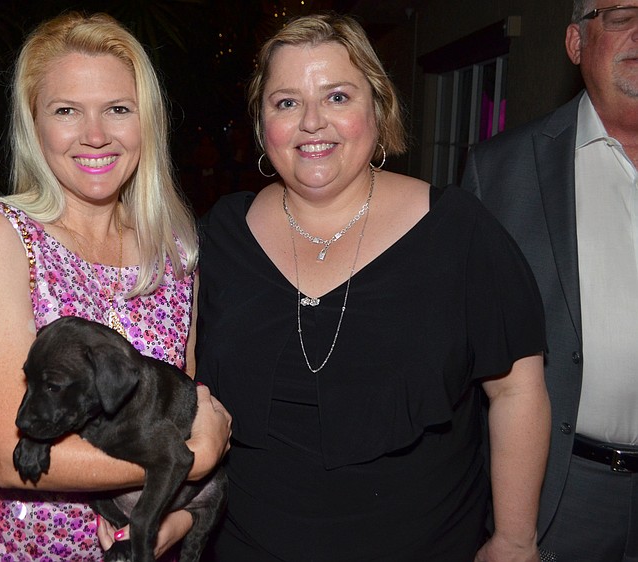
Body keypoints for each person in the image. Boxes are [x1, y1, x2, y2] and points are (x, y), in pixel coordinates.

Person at [195, 13, 551, 561]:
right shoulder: (222, 234)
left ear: (378, 109)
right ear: (262, 125)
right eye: (286, 102)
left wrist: (514, 538)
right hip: (244, 545)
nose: (312, 122)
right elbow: (186, 383)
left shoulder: (457, 232)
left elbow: (516, 390)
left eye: (337, 97)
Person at [0, 12, 231, 561]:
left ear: (146, 123)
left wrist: (169, 520)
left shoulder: (174, 251)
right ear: (34, 125)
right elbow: (9, 455)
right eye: (66, 110)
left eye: (118, 109)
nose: (95, 135)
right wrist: (195, 457)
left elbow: (173, 411)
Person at [461, 1, 638, 559]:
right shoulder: (501, 173)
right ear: (575, 43)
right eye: (622, 15)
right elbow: (460, 359)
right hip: (559, 495)